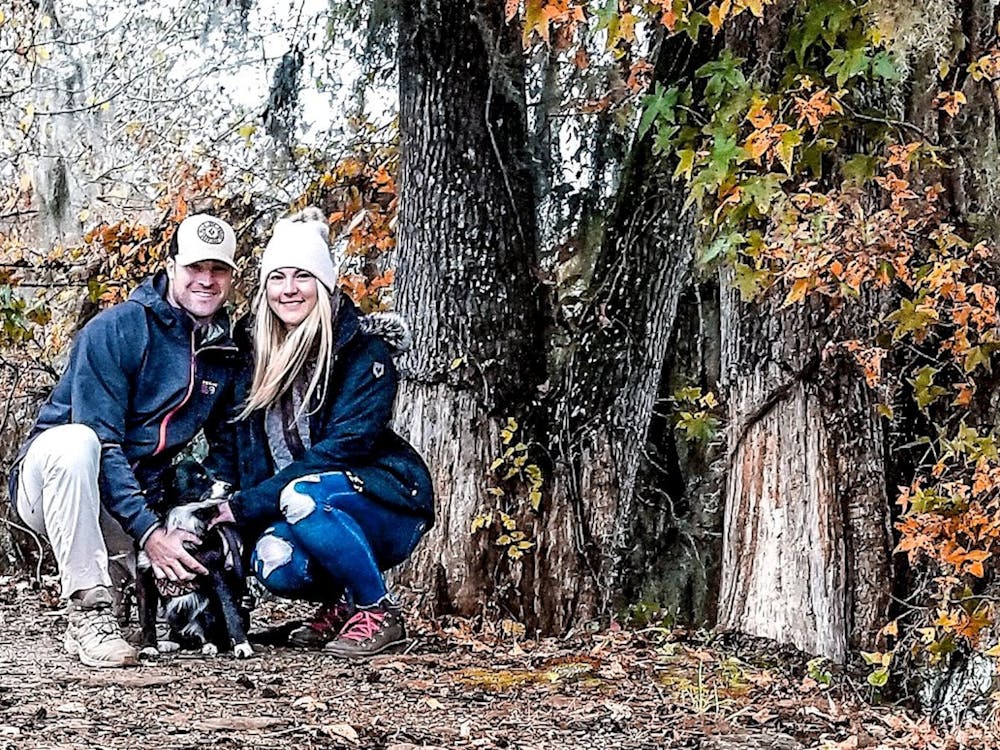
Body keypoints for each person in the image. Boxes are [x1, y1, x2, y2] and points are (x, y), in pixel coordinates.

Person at [8, 213, 242, 668]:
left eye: (218, 270)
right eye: (195, 267)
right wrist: (151, 532)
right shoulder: (115, 330)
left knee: (143, 596)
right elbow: (104, 441)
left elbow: (228, 448)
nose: (206, 280)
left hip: (133, 498)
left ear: (231, 277)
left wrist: (214, 520)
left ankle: (115, 587)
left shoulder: (225, 351)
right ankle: (87, 614)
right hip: (55, 484)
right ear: (171, 266)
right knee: (77, 442)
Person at [213, 207, 433, 658]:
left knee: (304, 495)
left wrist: (246, 506)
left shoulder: (362, 351)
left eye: (302, 276)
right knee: (274, 559)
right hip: (296, 503)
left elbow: (344, 449)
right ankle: (341, 605)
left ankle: (379, 610)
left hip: (383, 502)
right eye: (277, 277)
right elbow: (233, 445)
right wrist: (214, 505)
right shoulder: (252, 356)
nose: (289, 289)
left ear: (325, 284)